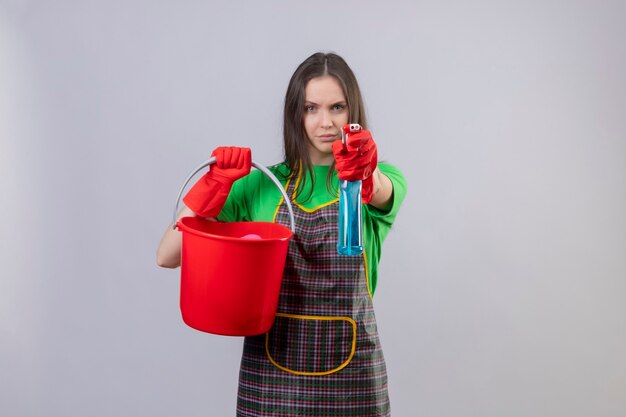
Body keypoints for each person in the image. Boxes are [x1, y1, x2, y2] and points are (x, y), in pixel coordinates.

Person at [157, 52, 406, 417]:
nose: (326, 122)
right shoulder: (260, 185)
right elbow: (168, 255)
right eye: (311, 108)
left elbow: (381, 189)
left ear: (352, 113)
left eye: (337, 107)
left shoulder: (374, 183)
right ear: (295, 114)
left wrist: (366, 174)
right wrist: (209, 190)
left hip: (355, 383)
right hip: (271, 381)